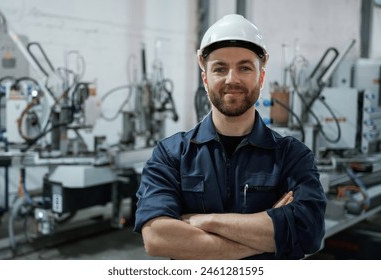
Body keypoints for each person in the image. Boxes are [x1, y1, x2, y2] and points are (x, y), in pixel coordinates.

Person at [134, 14, 327, 259]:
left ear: (261, 77)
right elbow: (157, 238)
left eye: (245, 67)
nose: (232, 79)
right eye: (220, 68)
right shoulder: (171, 154)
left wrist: (206, 221)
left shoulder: (293, 156)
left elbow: (308, 232)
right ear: (206, 79)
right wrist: (268, 236)